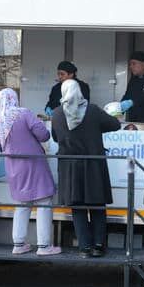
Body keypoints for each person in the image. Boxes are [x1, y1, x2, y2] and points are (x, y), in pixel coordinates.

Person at [52, 79, 121, 257]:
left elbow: (55, 137)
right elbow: (115, 124)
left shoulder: (57, 113)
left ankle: (84, 247)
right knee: (97, 205)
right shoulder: (93, 110)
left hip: (70, 168)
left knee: (78, 207)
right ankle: (98, 245)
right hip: (93, 166)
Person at [0, 88, 61, 256]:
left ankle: (19, 244)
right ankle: (44, 246)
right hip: (33, 164)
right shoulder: (23, 113)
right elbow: (44, 135)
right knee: (44, 202)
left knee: (22, 204)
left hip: (13, 167)